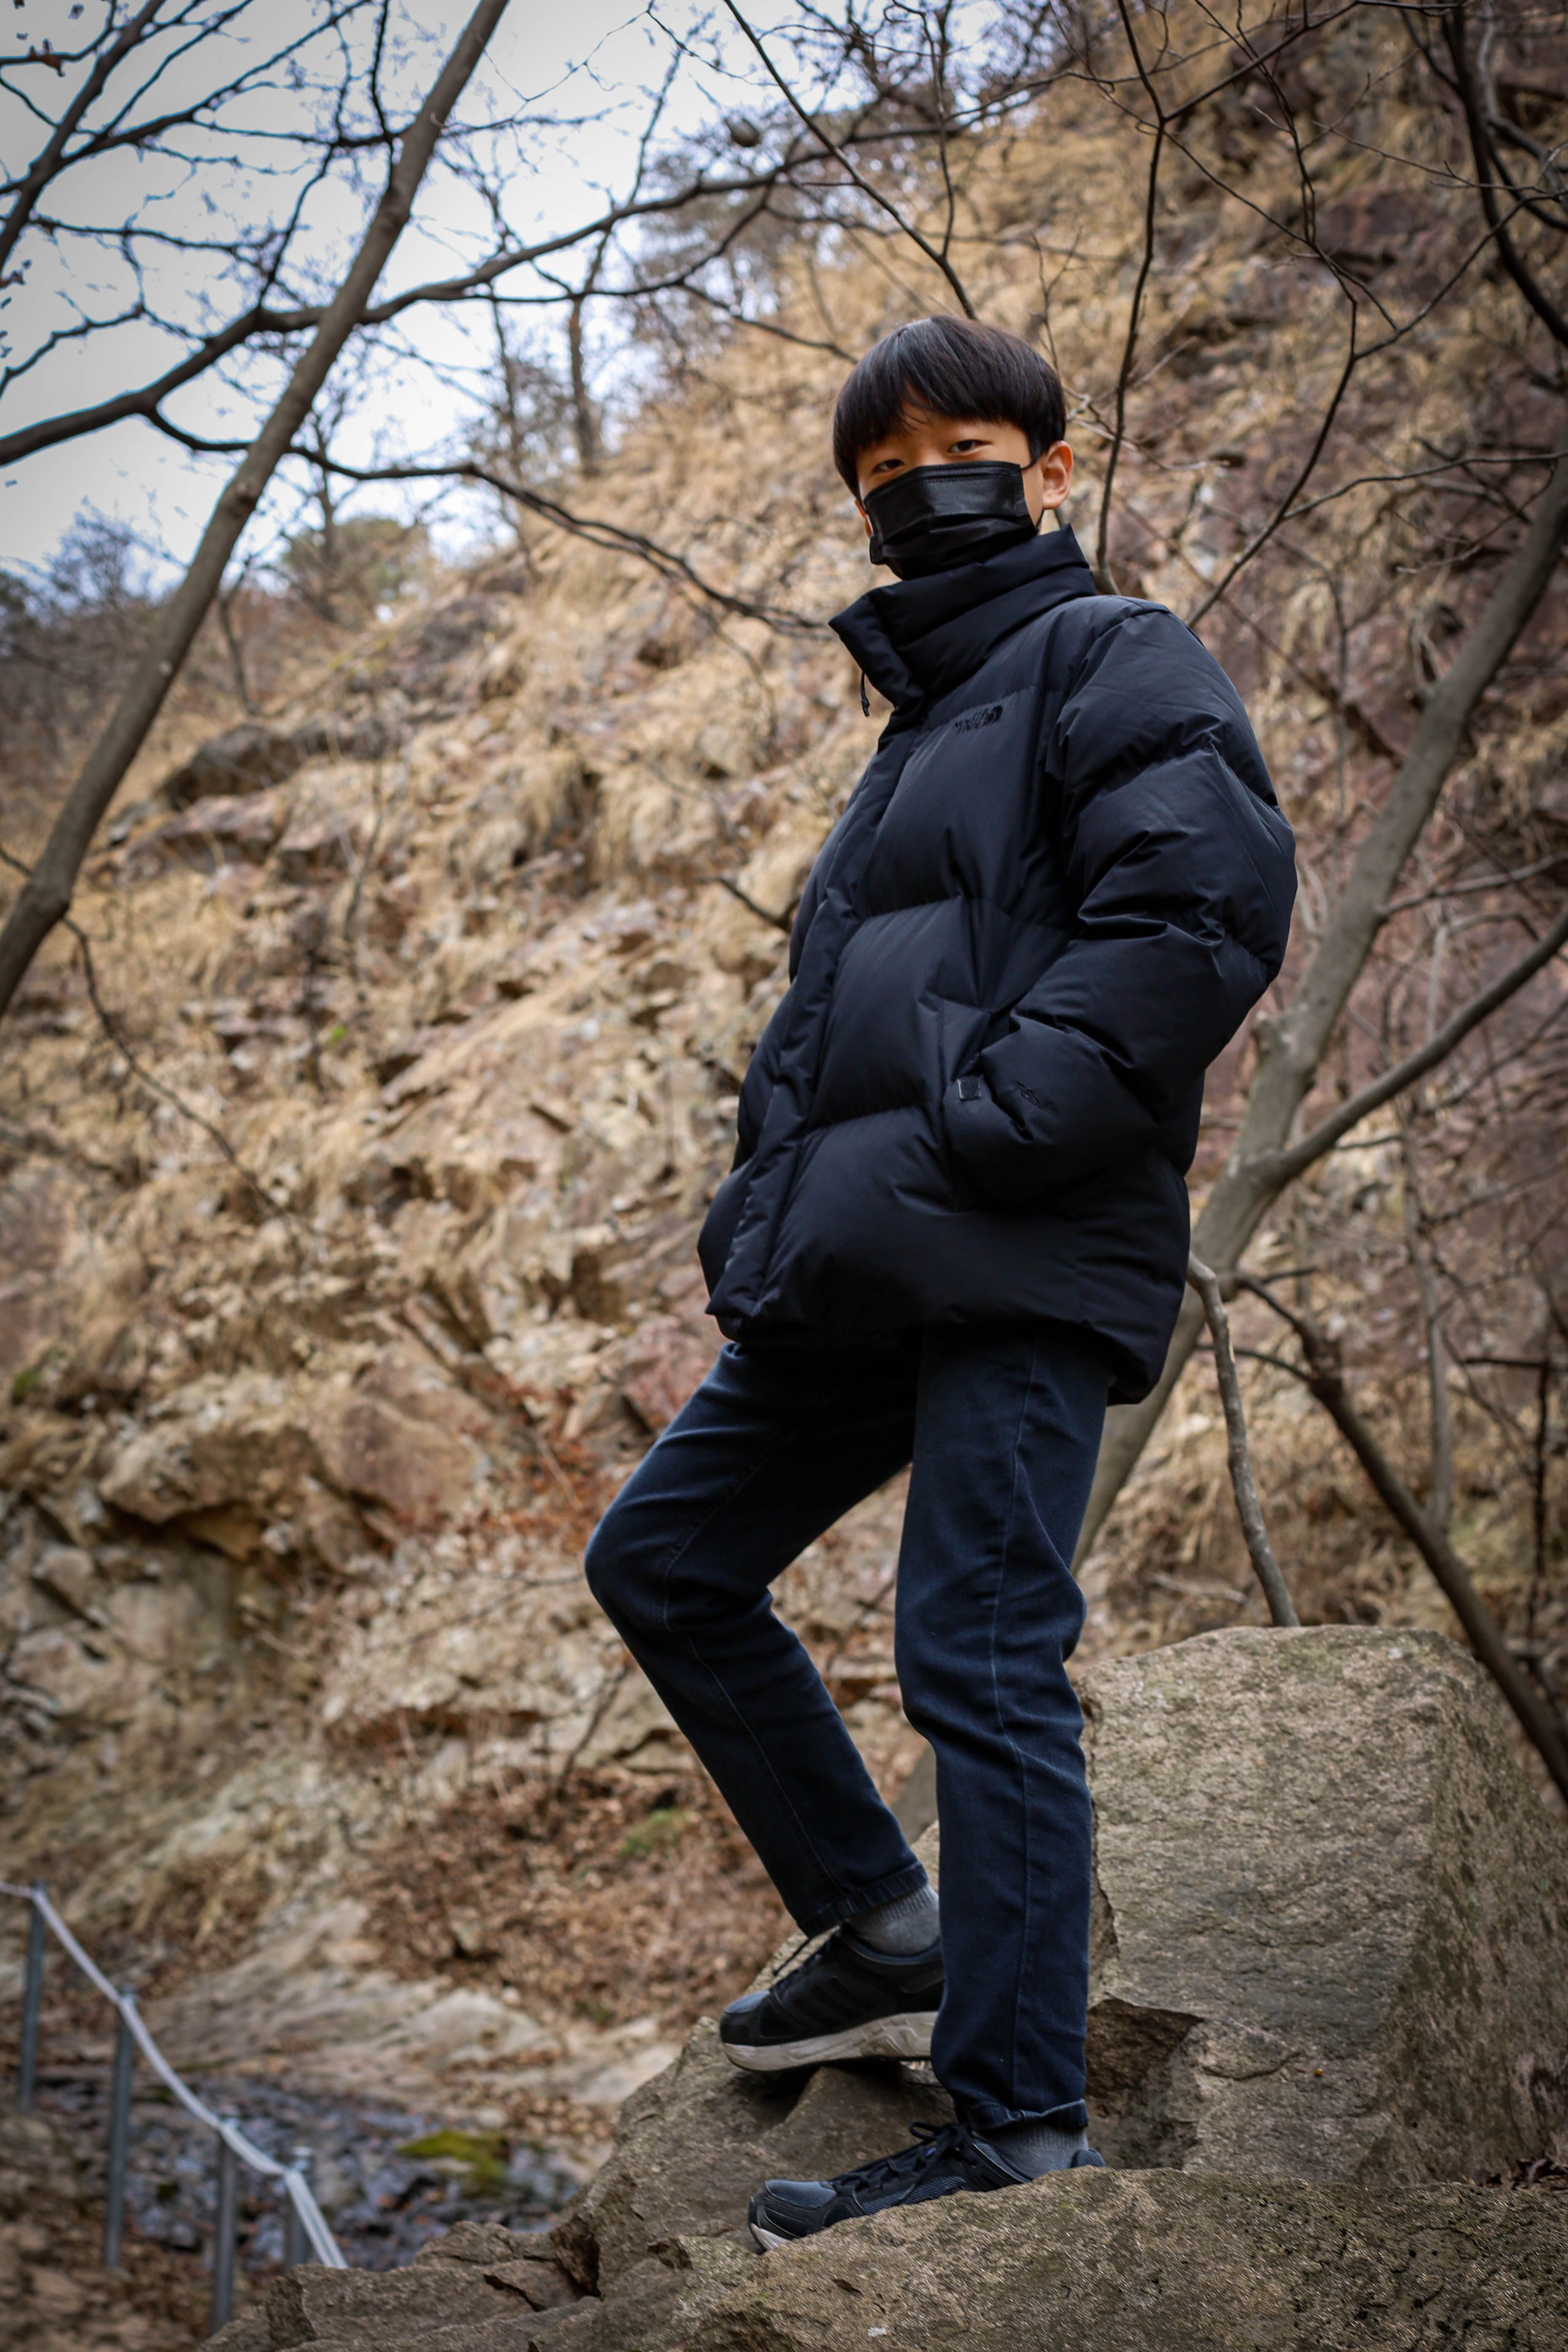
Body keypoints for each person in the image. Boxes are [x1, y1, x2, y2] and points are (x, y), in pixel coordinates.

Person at [584, 315, 1296, 2247]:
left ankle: (1019, 2129)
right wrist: (766, 1212)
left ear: (1051, 472)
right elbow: (843, 1022)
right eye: (883, 473)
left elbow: (1204, 909)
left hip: (1020, 1240)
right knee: (664, 1558)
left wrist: (994, 1121)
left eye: (961, 451)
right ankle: (882, 1923)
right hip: (875, 1251)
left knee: (978, 1656)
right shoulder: (917, 735)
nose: (922, 492)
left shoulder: (1113, 652)